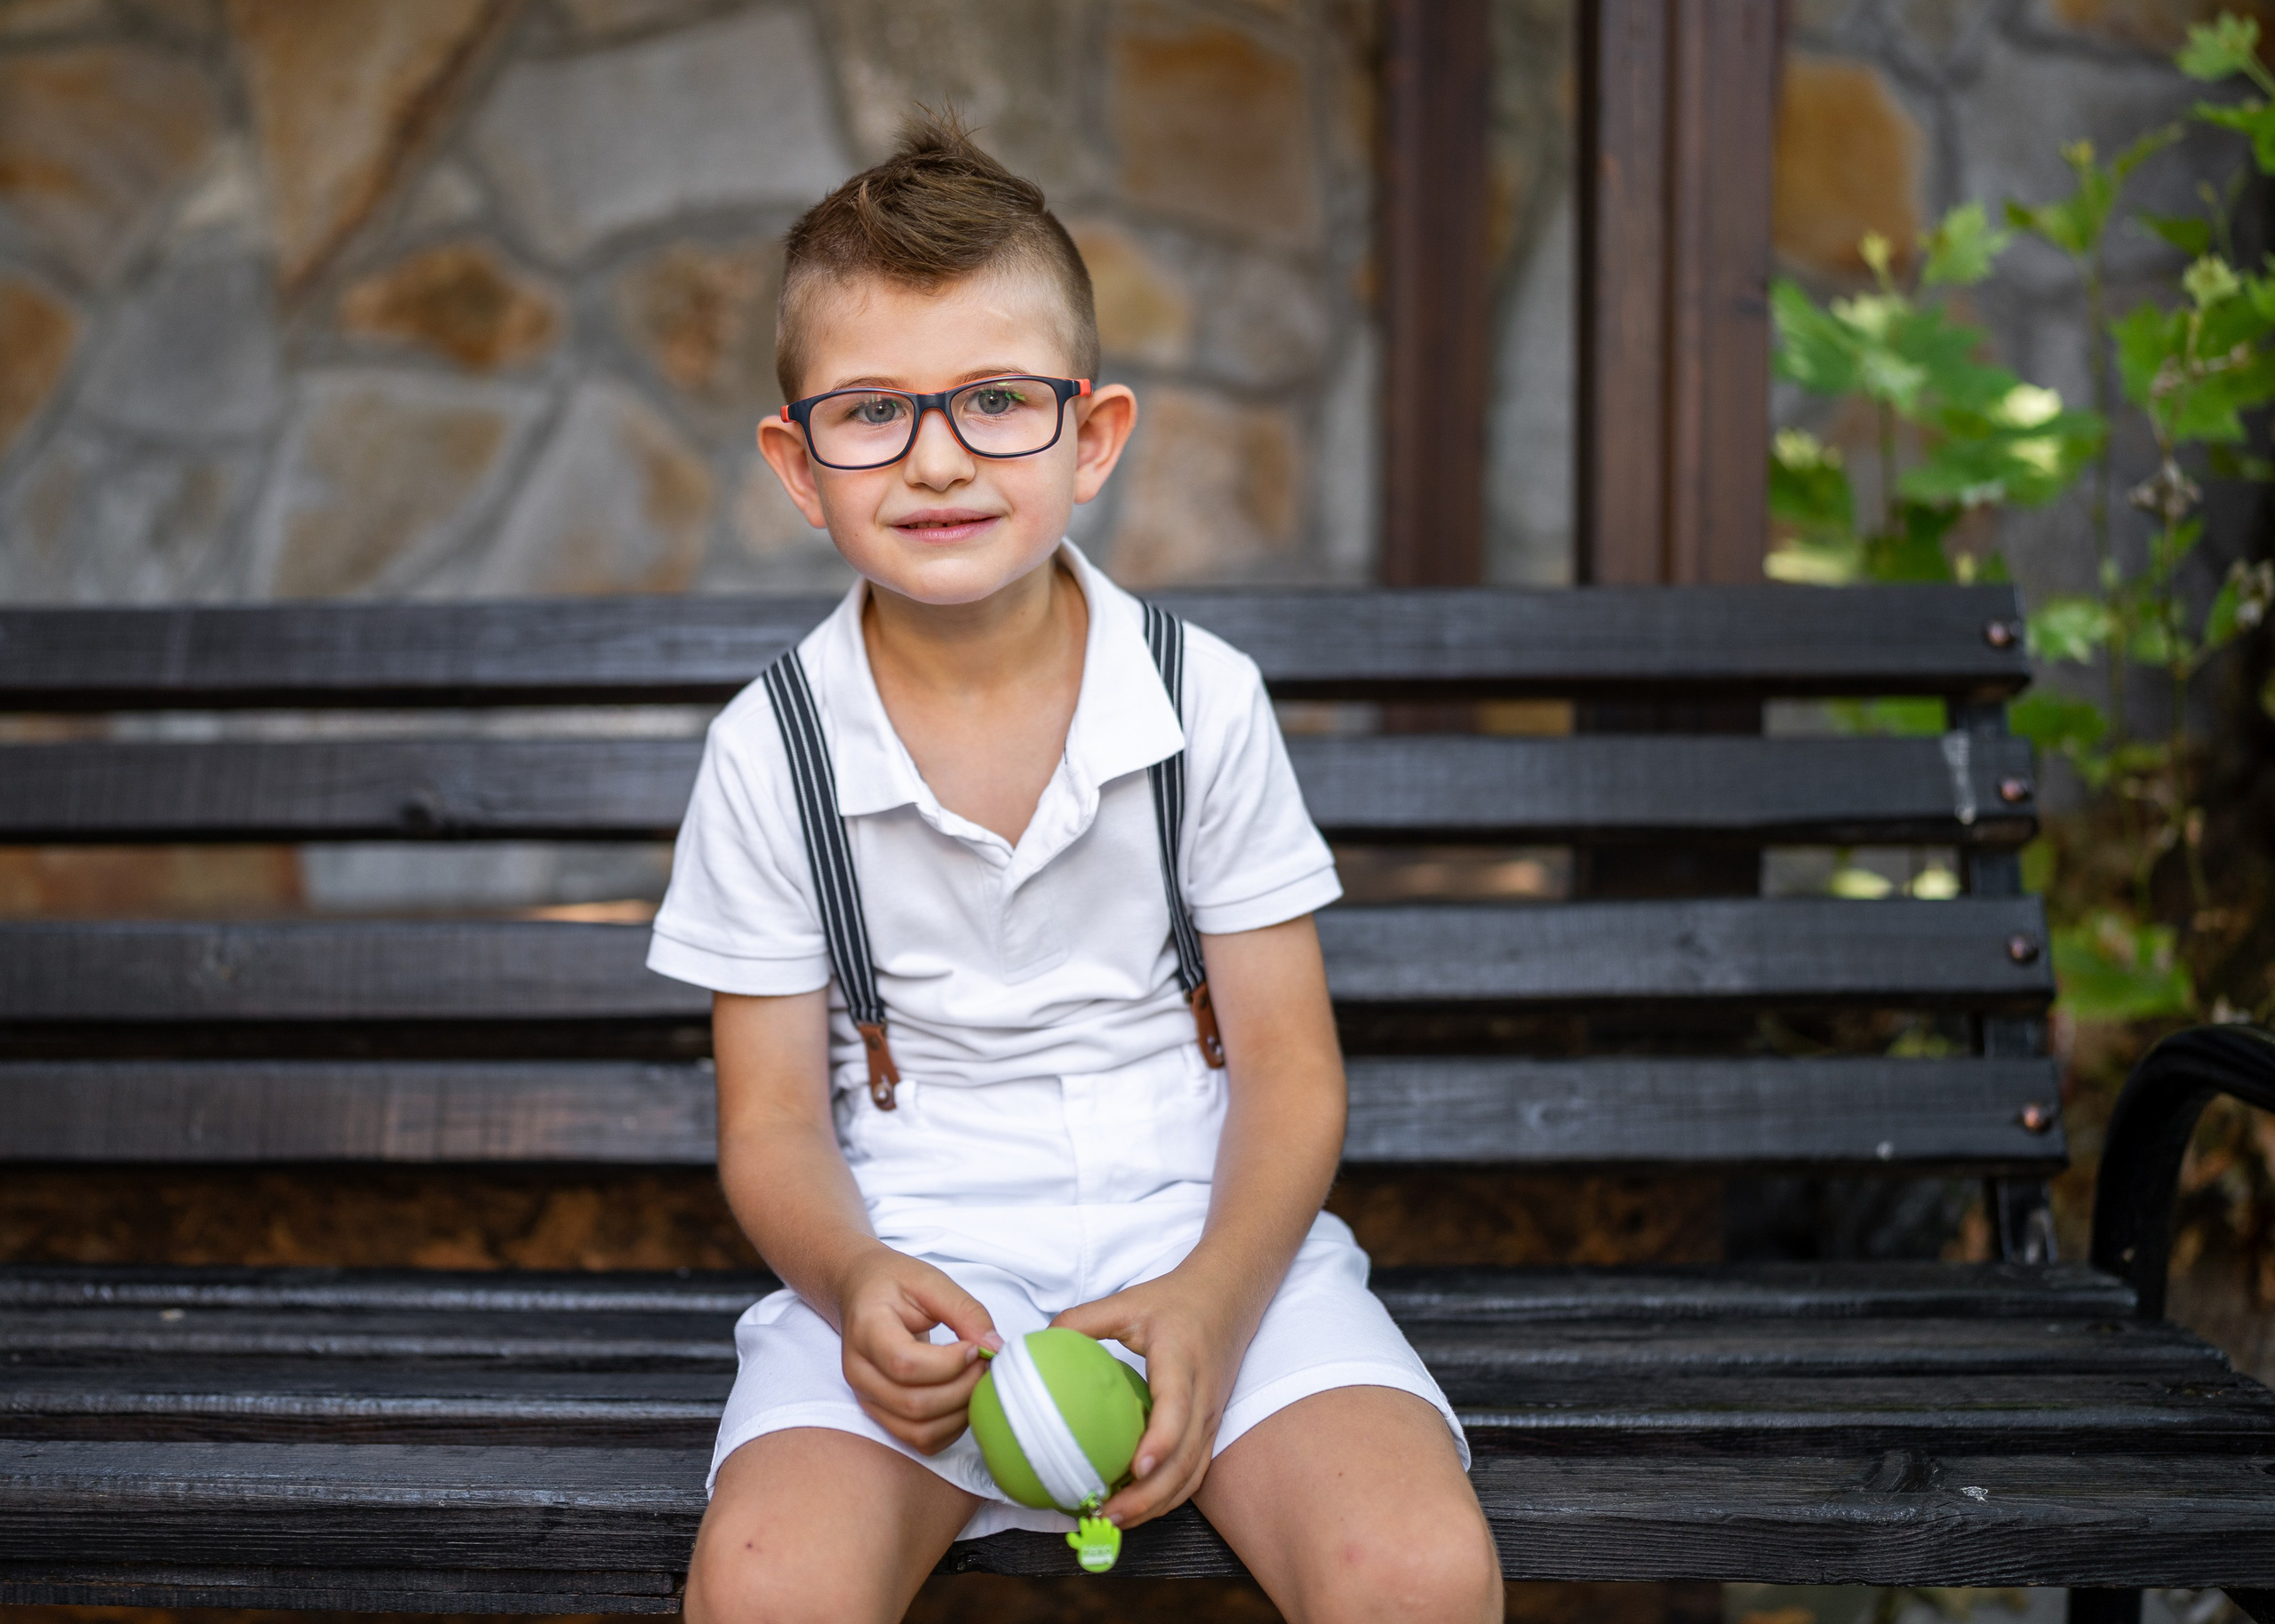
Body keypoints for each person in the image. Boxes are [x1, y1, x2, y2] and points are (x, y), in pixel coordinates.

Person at [649, 110, 1502, 1624]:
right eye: (870, 413)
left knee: (1414, 1570)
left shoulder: (1203, 699)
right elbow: (773, 1123)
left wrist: (1219, 1302)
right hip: (919, 1259)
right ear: (798, 464)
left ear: (1093, 434)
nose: (936, 459)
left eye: (994, 400)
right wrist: (852, 1283)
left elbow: (1292, 1072)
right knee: (770, 1583)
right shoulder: (766, 750)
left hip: (1206, 1236)